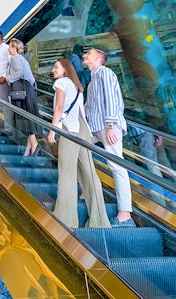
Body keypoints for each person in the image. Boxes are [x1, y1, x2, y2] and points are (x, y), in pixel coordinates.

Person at [46, 59, 111, 229]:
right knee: (89, 173)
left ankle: (65, 218)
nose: (53, 70)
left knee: (67, 171)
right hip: (83, 129)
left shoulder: (61, 82)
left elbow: (59, 107)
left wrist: (53, 130)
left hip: (70, 128)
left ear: (65, 69)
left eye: (56, 67)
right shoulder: (77, 86)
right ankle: (100, 222)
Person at [83, 48, 134, 227]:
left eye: (87, 54)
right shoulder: (92, 80)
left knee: (116, 165)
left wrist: (111, 125)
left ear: (97, 58)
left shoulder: (105, 73)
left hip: (107, 127)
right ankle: (87, 191)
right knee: (79, 151)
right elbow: (88, 107)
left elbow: (112, 99)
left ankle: (125, 214)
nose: (84, 56)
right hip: (95, 129)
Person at [6, 38, 40, 156]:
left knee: (25, 118)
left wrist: (8, 79)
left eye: (10, 46)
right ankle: (27, 150)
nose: (8, 48)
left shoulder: (15, 58)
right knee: (28, 117)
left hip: (22, 93)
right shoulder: (23, 59)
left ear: (15, 48)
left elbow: (19, 72)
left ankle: (34, 144)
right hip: (28, 91)